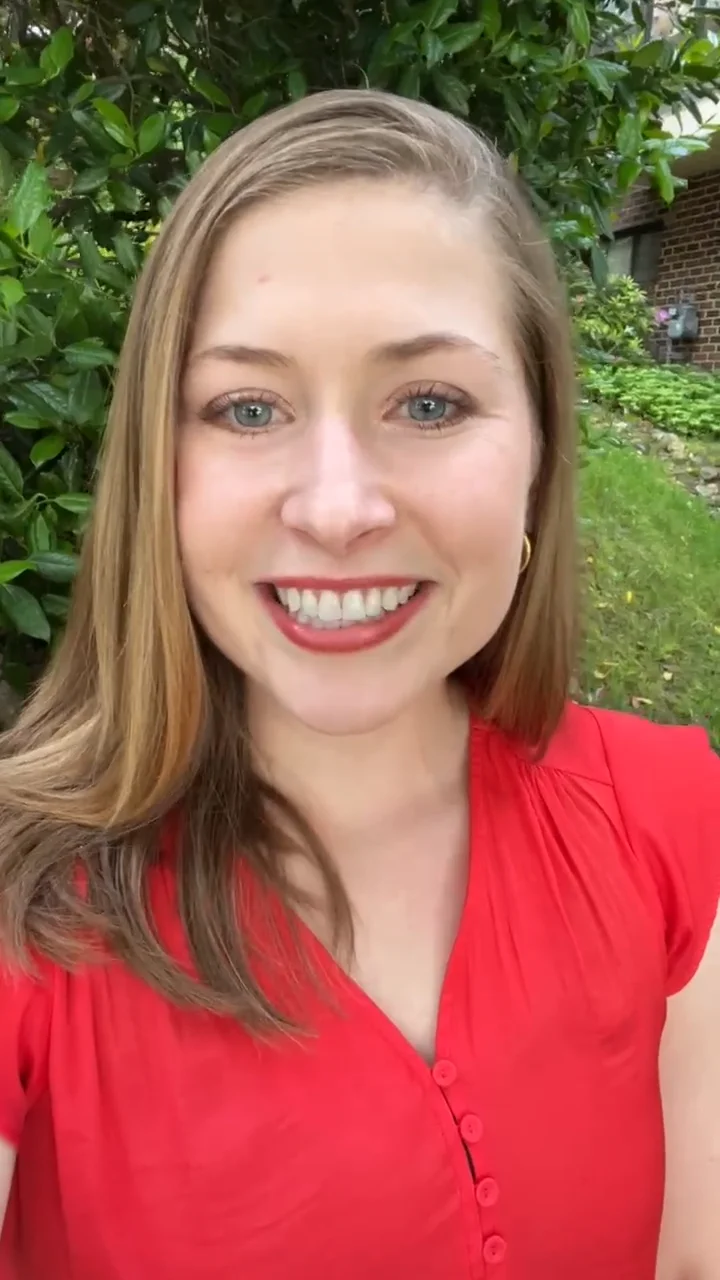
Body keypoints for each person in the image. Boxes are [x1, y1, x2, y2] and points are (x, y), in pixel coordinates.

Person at [0, 88, 717, 1280]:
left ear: (540, 448)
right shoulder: (28, 907)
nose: (338, 509)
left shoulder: (672, 818)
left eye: (429, 403)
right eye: (248, 407)